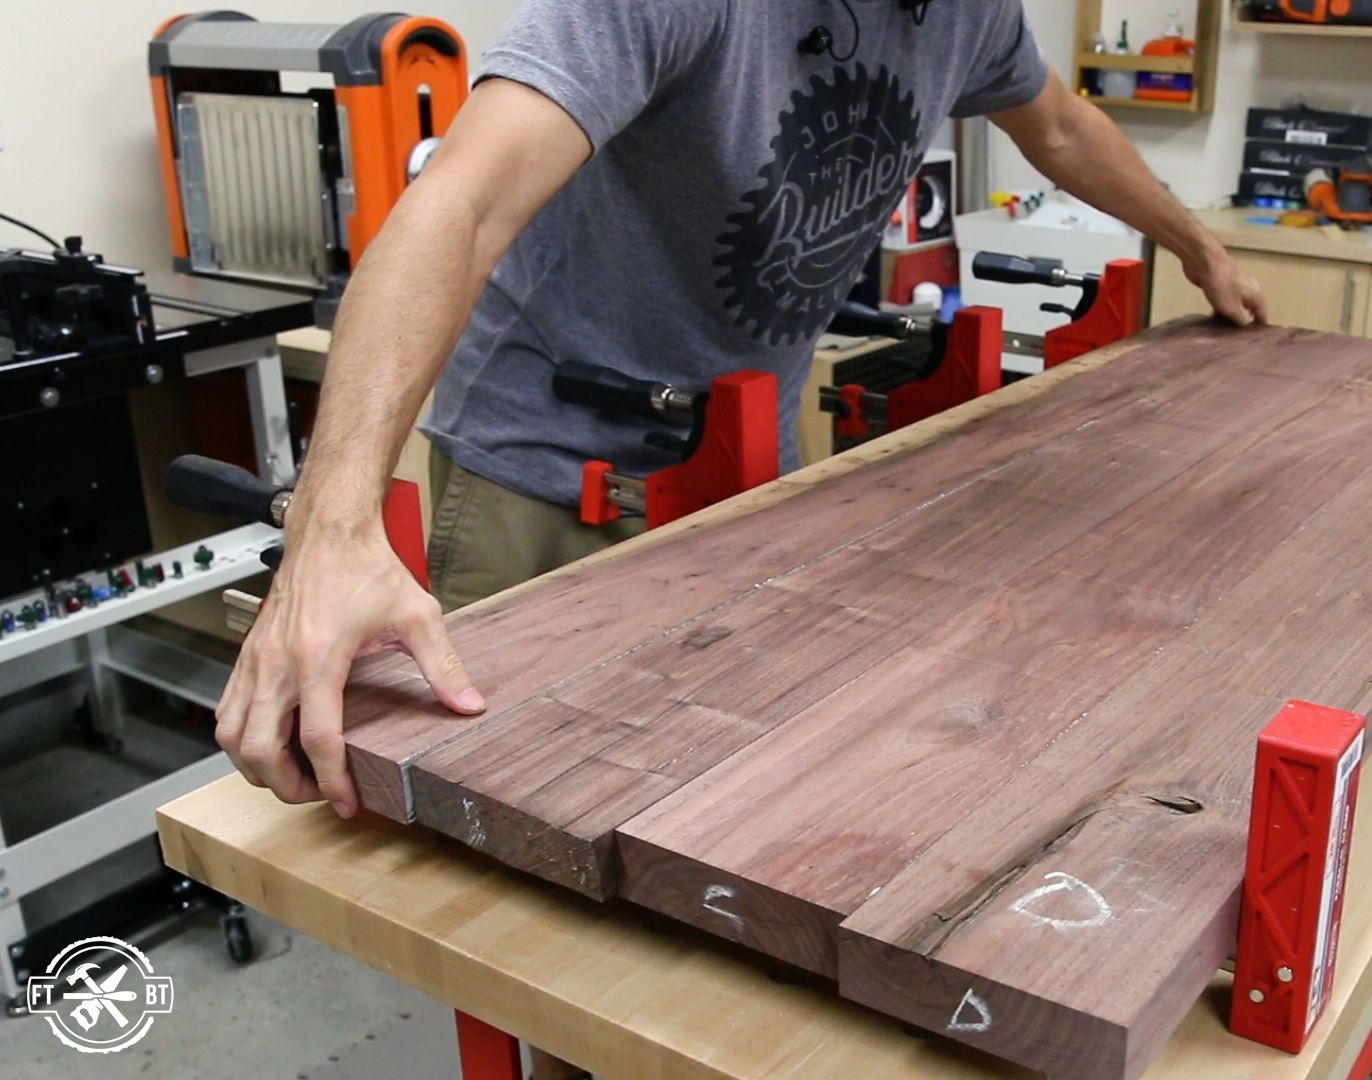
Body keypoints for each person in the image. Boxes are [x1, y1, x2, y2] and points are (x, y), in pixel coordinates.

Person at [214, 0, 1269, 818]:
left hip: (744, 451)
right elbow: (464, 199)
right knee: (523, 827)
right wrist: (332, 526)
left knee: (728, 793)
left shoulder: (964, 11)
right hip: (550, 468)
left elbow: (1064, 126)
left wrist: (1196, 243)